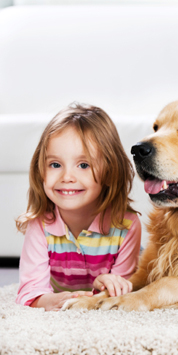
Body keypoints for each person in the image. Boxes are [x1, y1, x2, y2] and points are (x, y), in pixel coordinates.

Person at [15, 103, 142, 311]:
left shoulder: (126, 225)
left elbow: (121, 293)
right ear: (40, 170)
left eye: (83, 165)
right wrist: (48, 301)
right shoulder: (40, 224)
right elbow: (30, 292)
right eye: (55, 165)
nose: (67, 177)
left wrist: (106, 283)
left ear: (110, 172)